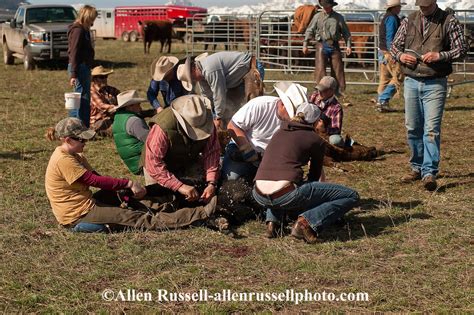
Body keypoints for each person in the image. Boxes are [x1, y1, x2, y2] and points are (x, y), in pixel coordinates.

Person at [45, 117, 215, 233]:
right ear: (67, 140)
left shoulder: (76, 155)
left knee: (124, 197)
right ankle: (199, 214)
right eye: (81, 140)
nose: (85, 142)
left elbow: (96, 176)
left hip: (86, 203)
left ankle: (168, 208)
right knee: (137, 218)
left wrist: (122, 191)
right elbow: (93, 180)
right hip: (77, 214)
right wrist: (127, 184)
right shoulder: (63, 159)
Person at [252, 102, 359, 243]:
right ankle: (306, 223)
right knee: (351, 196)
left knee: (281, 180)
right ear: (316, 121)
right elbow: (314, 176)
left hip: (258, 193)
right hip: (284, 195)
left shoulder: (279, 132)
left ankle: (272, 222)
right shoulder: (315, 140)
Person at [391, 0, 468, 191]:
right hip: (411, 81)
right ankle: (416, 167)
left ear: (434, 2)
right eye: (420, 6)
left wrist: (440, 56)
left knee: (431, 129)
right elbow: (394, 46)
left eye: (426, 5)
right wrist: (400, 56)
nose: (422, 9)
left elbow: (462, 49)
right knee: (412, 127)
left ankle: (429, 172)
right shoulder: (410, 19)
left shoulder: (449, 21)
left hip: (435, 81)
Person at [222, 82, 309, 182]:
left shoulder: (295, 122)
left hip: (271, 158)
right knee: (232, 178)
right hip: (242, 147)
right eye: (291, 113)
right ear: (282, 105)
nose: (293, 118)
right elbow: (233, 126)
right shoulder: (260, 105)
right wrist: (248, 151)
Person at [144, 95, 221, 204]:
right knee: (161, 203)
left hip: (187, 160)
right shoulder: (163, 127)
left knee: (200, 188)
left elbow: (212, 152)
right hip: (158, 167)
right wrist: (179, 186)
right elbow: (153, 163)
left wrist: (211, 183)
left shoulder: (206, 121)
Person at [177, 51, 265, 129]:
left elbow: (219, 94)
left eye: (192, 78)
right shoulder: (202, 73)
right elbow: (206, 96)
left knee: (253, 107)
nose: (194, 81)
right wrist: (207, 113)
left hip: (251, 68)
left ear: (193, 69)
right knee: (232, 106)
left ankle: (257, 134)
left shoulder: (209, 70)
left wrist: (218, 118)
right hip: (239, 78)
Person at [302, 0, 352, 96]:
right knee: (320, 68)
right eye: (325, 6)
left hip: (334, 44)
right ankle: (320, 90)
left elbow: (346, 32)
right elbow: (310, 30)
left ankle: (338, 90)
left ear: (331, 6)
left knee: (338, 68)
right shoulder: (317, 17)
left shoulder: (338, 17)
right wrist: (305, 44)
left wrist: (348, 45)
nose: (326, 8)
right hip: (321, 44)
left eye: (328, 6)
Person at [67, 5, 97, 127]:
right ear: (86, 17)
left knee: (84, 98)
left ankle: (84, 126)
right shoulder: (78, 31)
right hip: (79, 67)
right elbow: (74, 52)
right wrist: (74, 74)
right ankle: (75, 127)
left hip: (84, 67)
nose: (92, 23)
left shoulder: (84, 30)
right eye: (91, 20)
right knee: (78, 98)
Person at [376, 0, 406, 113]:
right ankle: (383, 100)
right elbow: (391, 37)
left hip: (383, 52)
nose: (400, 9)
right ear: (395, 7)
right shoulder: (392, 18)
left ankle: (381, 101)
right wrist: (393, 53)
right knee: (398, 77)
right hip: (390, 53)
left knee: (385, 79)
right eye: (399, 6)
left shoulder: (386, 17)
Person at [112, 90, 150, 175]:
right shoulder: (134, 121)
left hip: (134, 164)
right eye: (138, 105)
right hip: (143, 164)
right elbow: (150, 140)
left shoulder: (118, 117)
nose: (140, 108)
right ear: (130, 106)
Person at [309, 76, 344, 147]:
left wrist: (324, 129)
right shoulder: (314, 96)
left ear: (332, 91)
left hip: (324, 135)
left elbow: (336, 130)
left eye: (323, 90)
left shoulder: (336, 107)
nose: (319, 92)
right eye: (319, 89)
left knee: (335, 140)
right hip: (309, 128)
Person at [90, 66, 120, 136]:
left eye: (105, 76)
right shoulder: (91, 91)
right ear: (94, 79)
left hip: (111, 118)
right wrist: (115, 107)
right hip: (97, 121)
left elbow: (121, 97)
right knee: (118, 129)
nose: (104, 79)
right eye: (101, 77)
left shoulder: (110, 90)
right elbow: (101, 106)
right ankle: (96, 132)